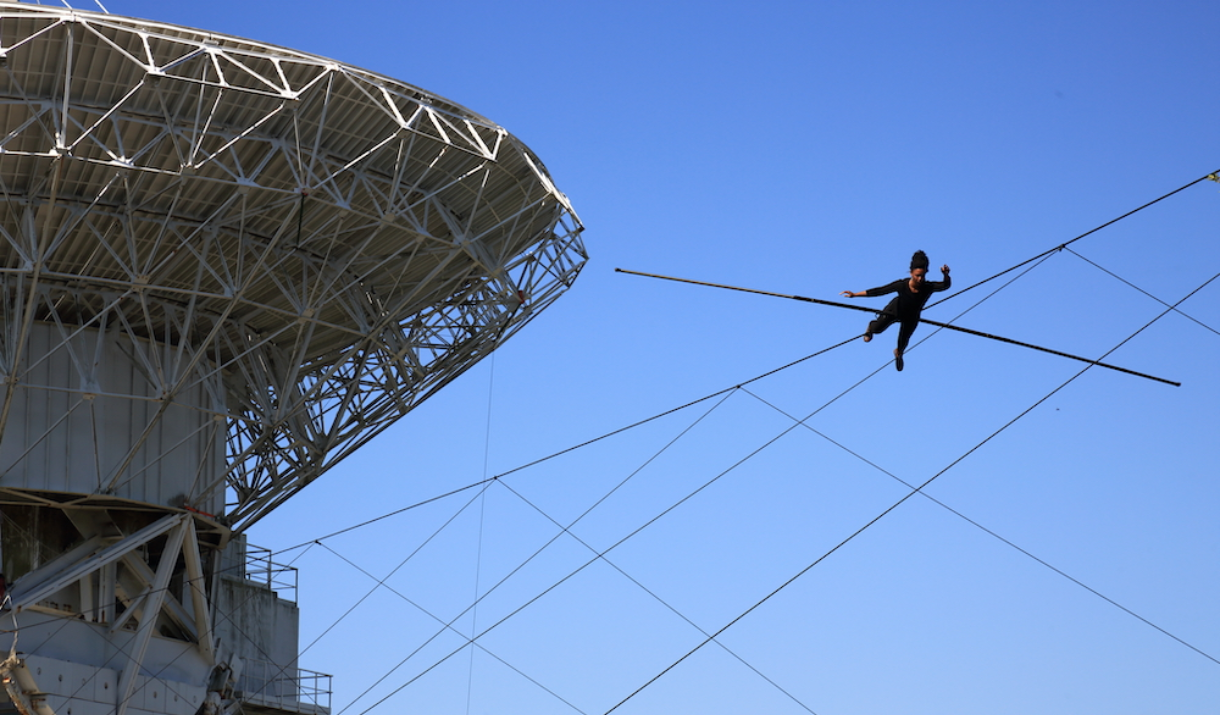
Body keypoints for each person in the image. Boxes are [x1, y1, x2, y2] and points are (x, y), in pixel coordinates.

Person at [840, 250, 951, 371]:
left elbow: (945, 286)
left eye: (922, 276)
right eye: (917, 275)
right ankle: (870, 327)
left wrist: (946, 275)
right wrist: (855, 294)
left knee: (903, 342)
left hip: (911, 317)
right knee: (878, 329)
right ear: (911, 273)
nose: (920, 279)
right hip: (894, 310)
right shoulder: (901, 285)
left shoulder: (928, 287)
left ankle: (898, 353)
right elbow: (880, 291)